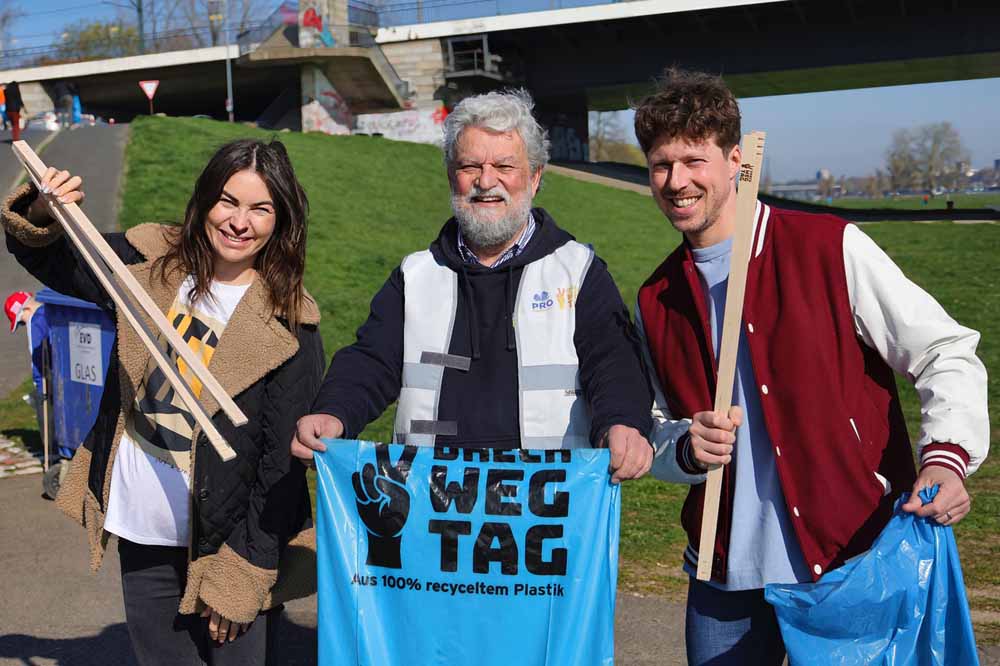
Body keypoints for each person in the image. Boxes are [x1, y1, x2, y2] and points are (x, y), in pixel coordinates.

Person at [632, 68, 989, 666]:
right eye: (661, 165)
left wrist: (947, 456)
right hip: (724, 584)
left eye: (694, 160)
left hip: (849, 562)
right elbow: (650, 430)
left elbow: (943, 350)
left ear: (735, 160)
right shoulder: (655, 298)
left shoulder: (827, 247)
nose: (676, 181)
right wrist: (687, 450)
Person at [2, 138, 325, 665]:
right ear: (203, 202)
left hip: (230, 542)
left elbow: (281, 466)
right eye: (228, 201)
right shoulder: (150, 266)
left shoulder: (291, 323)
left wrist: (245, 570)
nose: (240, 221)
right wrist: (42, 209)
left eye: (260, 208)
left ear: (281, 220)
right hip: (144, 523)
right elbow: (55, 258)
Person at [290, 89, 654, 482]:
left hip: (546, 506)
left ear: (534, 178)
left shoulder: (578, 271)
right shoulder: (416, 275)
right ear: (452, 176)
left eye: (504, 165)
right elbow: (371, 360)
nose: (486, 181)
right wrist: (334, 412)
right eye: (470, 166)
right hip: (432, 504)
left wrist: (623, 422)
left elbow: (614, 362)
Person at [4, 290, 50, 431]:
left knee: (47, 418)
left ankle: (52, 449)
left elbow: (37, 359)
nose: (24, 325)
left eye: (21, 322)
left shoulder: (34, 321)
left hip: (48, 379)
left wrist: (39, 386)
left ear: (26, 309)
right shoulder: (50, 311)